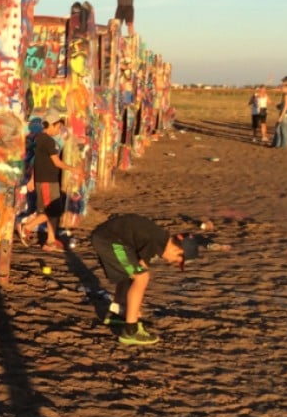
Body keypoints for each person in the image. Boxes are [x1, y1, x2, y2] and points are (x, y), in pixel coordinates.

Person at [90, 213, 184, 345]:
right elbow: (140, 274)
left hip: (113, 239)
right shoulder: (156, 241)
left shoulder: (161, 240)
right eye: (177, 261)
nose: (174, 263)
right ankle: (131, 330)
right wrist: (135, 311)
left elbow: (139, 266)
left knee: (134, 272)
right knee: (141, 277)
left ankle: (118, 313)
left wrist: (133, 308)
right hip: (109, 240)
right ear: (177, 250)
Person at [19, 108, 83, 251]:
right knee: (52, 212)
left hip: (46, 180)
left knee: (52, 211)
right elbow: (57, 162)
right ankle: (27, 227)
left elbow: (37, 161)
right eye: (58, 127)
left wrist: (31, 180)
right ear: (52, 125)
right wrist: (73, 169)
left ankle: (50, 241)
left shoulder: (40, 139)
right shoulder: (48, 141)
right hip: (47, 181)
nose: (59, 130)